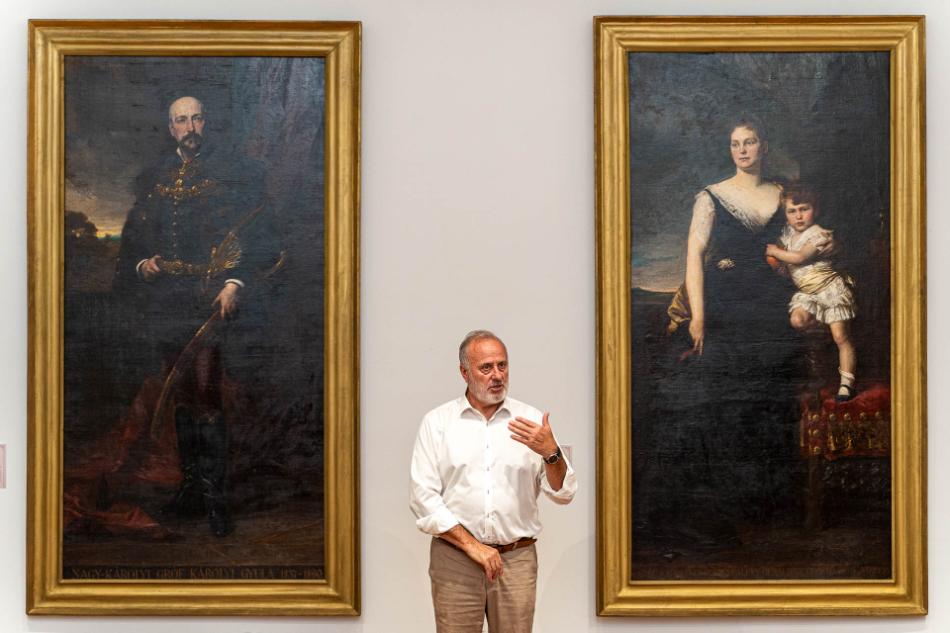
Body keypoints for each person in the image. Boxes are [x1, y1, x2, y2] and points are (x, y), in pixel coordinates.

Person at [113, 95, 278, 537]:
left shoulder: (238, 172)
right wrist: (142, 263)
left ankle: (215, 499)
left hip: (210, 297)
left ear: (206, 122)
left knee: (205, 389)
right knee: (180, 391)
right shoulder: (155, 176)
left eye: (197, 118)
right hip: (166, 300)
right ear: (171, 128)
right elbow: (135, 238)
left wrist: (235, 282)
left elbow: (261, 233)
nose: (190, 128)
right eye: (181, 120)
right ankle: (190, 489)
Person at [642, 118, 803, 551]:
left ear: (763, 146)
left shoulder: (782, 195)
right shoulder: (712, 196)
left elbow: (800, 245)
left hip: (769, 307)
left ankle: (763, 505)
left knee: (769, 397)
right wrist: (698, 315)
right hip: (724, 306)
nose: (743, 150)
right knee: (717, 397)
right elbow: (694, 255)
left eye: (750, 142)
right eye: (735, 144)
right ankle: (717, 505)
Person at [409, 330, 577, 633]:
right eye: (486, 367)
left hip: (516, 559)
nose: (497, 375)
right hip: (456, 559)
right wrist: (473, 547)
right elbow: (424, 499)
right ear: (464, 372)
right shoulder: (438, 423)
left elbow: (563, 493)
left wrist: (551, 453)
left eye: (502, 365)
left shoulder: (531, 420)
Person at [766, 182, 857, 401]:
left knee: (841, 337)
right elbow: (785, 263)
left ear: (815, 210)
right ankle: (822, 324)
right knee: (797, 320)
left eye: (804, 209)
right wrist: (777, 261)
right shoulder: (787, 234)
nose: (798, 216)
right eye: (792, 211)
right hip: (808, 294)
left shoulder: (820, 235)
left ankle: (847, 384)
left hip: (830, 291)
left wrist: (774, 251)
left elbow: (798, 258)